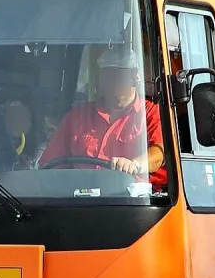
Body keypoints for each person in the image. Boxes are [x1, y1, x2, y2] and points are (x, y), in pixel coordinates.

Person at [37, 46, 166, 189]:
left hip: (131, 202)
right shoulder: (77, 116)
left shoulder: (150, 113)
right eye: (108, 76)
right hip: (81, 200)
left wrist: (134, 165)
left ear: (136, 77)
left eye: (119, 76)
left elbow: (159, 153)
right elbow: (50, 163)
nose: (114, 83)